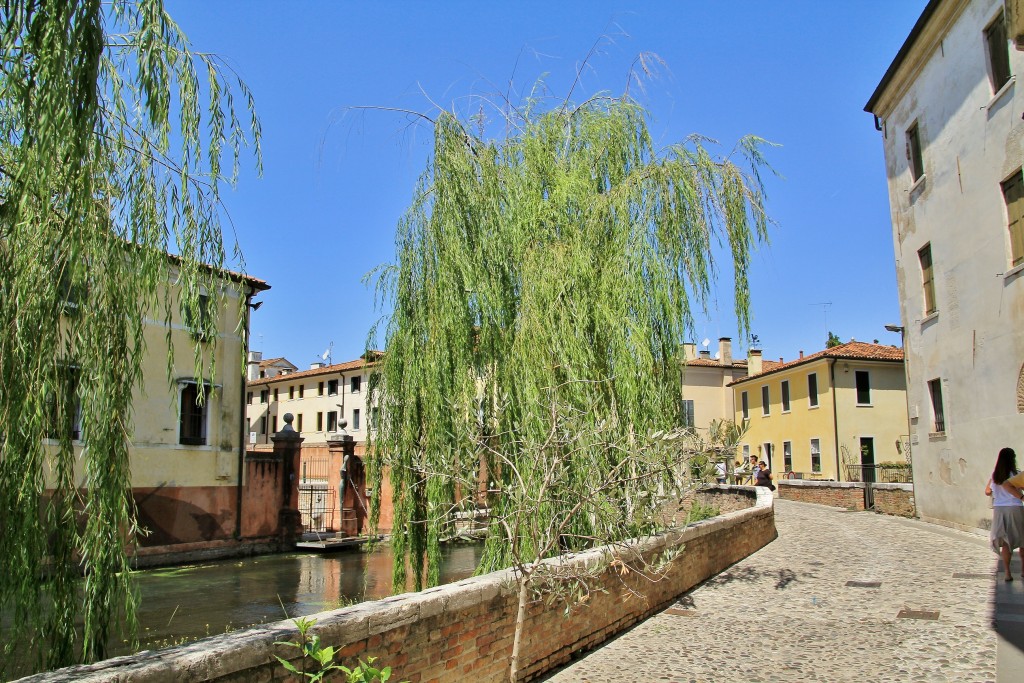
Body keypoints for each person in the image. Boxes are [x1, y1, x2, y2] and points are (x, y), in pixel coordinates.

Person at [985, 447, 1024, 581]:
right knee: (1022, 539)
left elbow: (987, 491)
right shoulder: (1016, 474)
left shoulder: (994, 475)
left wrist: (997, 492)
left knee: (1006, 543)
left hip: (999, 509)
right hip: (1014, 507)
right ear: (1012, 459)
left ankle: (1007, 573)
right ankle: (1023, 571)